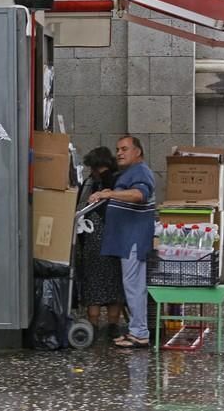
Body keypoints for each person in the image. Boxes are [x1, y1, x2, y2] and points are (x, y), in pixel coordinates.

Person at [89, 135, 155, 348]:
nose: (119, 153)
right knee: (132, 285)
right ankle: (137, 331)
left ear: (138, 152)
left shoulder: (141, 172)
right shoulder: (129, 173)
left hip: (134, 240)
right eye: (117, 149)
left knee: (135, 286)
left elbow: (139, 195)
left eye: (125, 149)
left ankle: (139, 333)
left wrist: (110, 195)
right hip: (127, 240)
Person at [75, 147, 125, 339]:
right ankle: (113, 325)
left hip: (94, 239)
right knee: (114, 284)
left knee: (93, 282)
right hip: (114, 239)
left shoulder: (96, 182)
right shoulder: (120, 180)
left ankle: (93, 324)